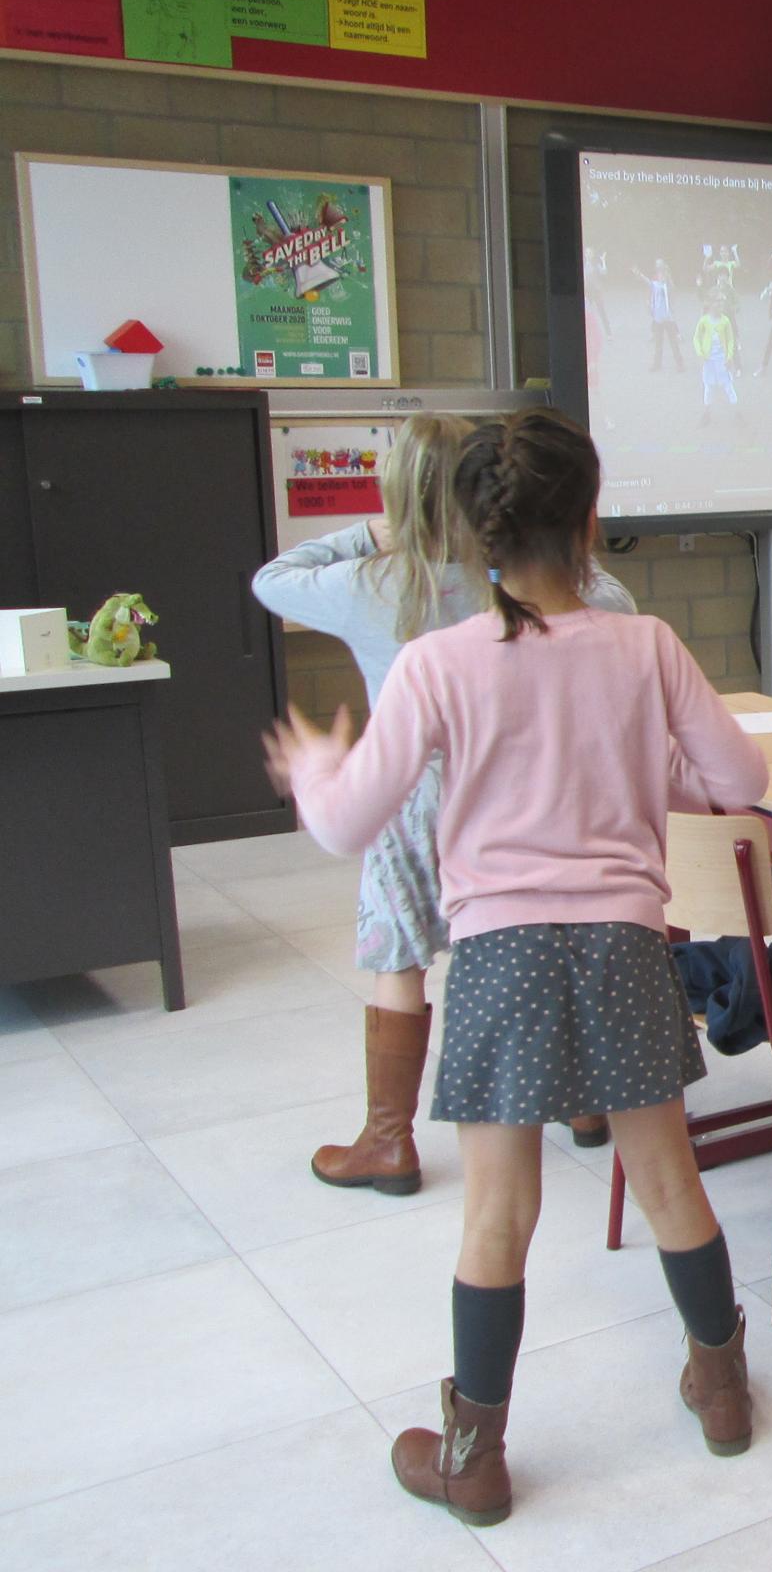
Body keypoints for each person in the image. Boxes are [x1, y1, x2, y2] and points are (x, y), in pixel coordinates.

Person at [263, 410, 770, 1526]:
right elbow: (739, 776)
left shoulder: (436, 662)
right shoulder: (646, 645)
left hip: (501, 956)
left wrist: (313, 767)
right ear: (589, 522)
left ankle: (474, 1454)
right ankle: (722, 1389)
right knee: (669, 1182)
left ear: (476, 534)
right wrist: (647, 778)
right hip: (626, 944)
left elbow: (350, 823)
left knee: (499, 1210)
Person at [252, 418, 638, 1188]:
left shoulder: (371, 581)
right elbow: (613, 601)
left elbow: (272, 578)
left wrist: (372, 532)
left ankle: (388, 1139)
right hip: (507, 787)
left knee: (399, 956)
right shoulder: (514, 581)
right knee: (532, 939)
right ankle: (588, 1104)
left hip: (402, 795)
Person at [692, 293, 739, 424]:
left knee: (728, 385)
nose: (720, 305)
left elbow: (730, 339)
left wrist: (729, 356)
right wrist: (700, 354)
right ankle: (707, 413)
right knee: (708, 386)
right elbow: (696, 338)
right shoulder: (704, 321)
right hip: (708, 360)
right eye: (717, 302)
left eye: (722, 302)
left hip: (722, 360)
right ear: (710, 304)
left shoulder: (725, 321)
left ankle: (736, 412)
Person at [636, 258, 682, 373]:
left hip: (668, 318)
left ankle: (680, 364)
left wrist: (668, 276)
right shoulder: (655, 285)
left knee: (673, 342)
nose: (661, 276)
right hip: (658, 318)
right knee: (658, 343)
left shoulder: (669, 286)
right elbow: (647, 281)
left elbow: (673, 292)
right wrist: (639, 274)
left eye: (663, 274)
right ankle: (657, 364)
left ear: (666, 275)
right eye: (660, 274)